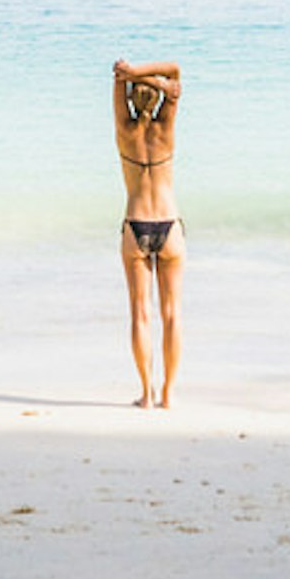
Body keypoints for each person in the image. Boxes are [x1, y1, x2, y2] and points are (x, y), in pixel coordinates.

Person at [112, 57, 183, 406]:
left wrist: (126, 75)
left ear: (129, 99)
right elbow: (174, 71)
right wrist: (155, 81)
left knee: (140, 312)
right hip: (169, 225)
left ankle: (146, 393)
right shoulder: (165, 128)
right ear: (155, 100)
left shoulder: (124, 130)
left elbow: (118, 79)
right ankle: (168, 393)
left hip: (135, 225)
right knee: (171, 313)